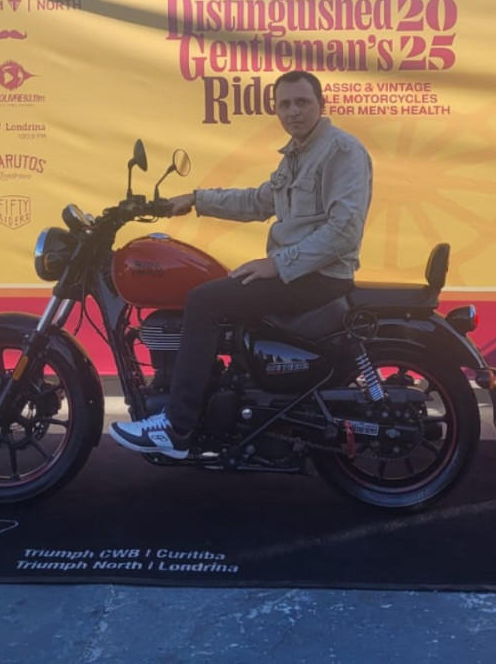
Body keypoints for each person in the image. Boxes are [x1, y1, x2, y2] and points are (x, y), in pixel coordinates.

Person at [110, 70, 373, 459]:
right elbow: (257, 201)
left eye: (302, 102)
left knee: (204, 301)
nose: (293, 111)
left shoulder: (341, 151)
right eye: (285, 104)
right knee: (219, 292)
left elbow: (344, 232)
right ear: (276, 110)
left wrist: (277, 265)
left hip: (317, 276)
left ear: (321, 104)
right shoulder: (298, 154)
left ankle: (177, 428)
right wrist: (196, 199)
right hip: (299, 271)